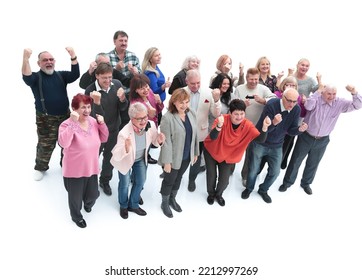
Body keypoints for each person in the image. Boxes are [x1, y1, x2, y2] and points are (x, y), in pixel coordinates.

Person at [279, 84, 362, 195]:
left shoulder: (339, 103)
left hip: (322, 140)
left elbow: (358, 105)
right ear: (323, 92)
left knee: (313, 163)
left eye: (334, 94)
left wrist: (354, 92)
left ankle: (306, 184)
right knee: (295, 161)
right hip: (306, 137)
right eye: (329, 93)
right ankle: (287, 182)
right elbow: (308, 106)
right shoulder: (316, 98)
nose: (332, 96)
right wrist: (317, 93)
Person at [22, 47, 80, 181]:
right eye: (45, 60)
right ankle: (40, 167)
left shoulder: (61, 75)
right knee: (45, 144)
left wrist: (73, 55)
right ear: (39, 63)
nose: (49, 62)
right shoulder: (36, 78)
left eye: (51, 59)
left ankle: (65, 163)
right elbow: (26, 77)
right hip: (45, 118)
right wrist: (25, 58)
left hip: (65, 116)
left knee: (68, 142)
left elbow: (75, 75)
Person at [242, 88, 308, 203]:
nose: (292, 104)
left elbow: (290, 130)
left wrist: (299, 130)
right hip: (261, 142)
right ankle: (249, 188)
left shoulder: (296, 109)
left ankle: (263, 190)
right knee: (253, 169)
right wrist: (274, 123)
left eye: (294, 101)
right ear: (283, 98)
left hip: (277, 145)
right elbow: (265, 129)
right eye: (289, 101)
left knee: (275, 172)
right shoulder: (272, 105)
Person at [203, 99, 271, 206]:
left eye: (242, 113)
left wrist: (265, 128)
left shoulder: (247, 125)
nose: (239, 117)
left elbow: (260, 139)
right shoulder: (222, 119)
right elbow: (213, 136)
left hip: (228, 155)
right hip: (212, 151)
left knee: (224, 180)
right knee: (211, 175)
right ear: (230, 113)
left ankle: (218, 194)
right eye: (236, 114)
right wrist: (219, 126)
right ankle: (211, 194)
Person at [58, 94, 109, 228]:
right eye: (83, 108)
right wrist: (73, 124)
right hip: (74, 171)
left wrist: (102, 123)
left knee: (93, 195)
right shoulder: (66, 124)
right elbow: (63, 143)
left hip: (91, 167)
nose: (87, 110)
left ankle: (88, 204)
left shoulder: (93, 121)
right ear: (74, 109)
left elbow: (104, 138)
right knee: (75, 199)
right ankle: (77, 217)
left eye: (88, 107)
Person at [110, 102, 165, 219]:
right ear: (131, 118)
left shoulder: (151, 125)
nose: (144, 121)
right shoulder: (124, 133)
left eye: (145, 117)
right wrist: (125, 148)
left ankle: (133, 204)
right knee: (124, 184)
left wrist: (159, 140)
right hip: (125, 160)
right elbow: (116, 155)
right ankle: (123, 206)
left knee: (140, 181)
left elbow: (154, 141)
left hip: (140, 159)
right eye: (140, 118)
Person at [84, 62, 128, 196]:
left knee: (110, 157)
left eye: (110, 77)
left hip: (113, 130)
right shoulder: (90, 91)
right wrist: (96, 103)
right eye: (104, 78)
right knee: (93, 158)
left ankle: (105, 180)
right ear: (97, 76)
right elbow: (95, 117)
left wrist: (122, 99)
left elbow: (123, 109)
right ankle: (88, 182)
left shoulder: (117, 85)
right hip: (96, 132)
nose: (108, 81)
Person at [158, 88, 199, 218]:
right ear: (174, 102)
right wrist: (167, 162)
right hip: (173, 157)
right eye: (181, 102)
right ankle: (164, 203)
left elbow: (195, 135)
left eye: (186, 102)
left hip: (187, 155)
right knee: (169, 180)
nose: (184, 105)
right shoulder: (167, 118)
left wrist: (195, 152)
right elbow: (166, 142)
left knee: (179, 178)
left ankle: (172, 199)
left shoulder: (191, 113)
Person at [234, 67, 276, 185]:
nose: (253, 81)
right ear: (247, 78)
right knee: (234, 149)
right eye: (251, 79)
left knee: (250, 154)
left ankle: (245, 176)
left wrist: (263, 101)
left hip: (255, 129)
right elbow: (233, 106)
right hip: (240, 127)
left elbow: (274, 99)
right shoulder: (239, 89)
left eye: (256, 79)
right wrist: (242, 105)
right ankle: (229, 170)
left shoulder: (263, 89)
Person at [183, 69, 221, 192]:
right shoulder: (180, 92)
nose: (196, 86)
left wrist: (216, 100)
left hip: (200, 133)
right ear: (186, 81)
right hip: (184, 132)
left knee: (196, 159)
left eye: (198, 83)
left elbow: (216, 113)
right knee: (181, 157)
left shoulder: (208, 93)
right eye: (192, 83)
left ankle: (191, 180)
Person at [281, 58, 322, 169]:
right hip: (285, 110)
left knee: (291, 137)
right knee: (281, 134)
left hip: (299, 113)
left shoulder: (310, 81)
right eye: (302, 65)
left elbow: (318, 92)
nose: (304, 67)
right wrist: (288, 74)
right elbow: (281, 88)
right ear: (297, 65)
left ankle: (283, 159)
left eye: (307, 66)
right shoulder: (291, 77)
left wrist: (319, 80)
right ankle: (276, 157)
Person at [108, 30, 141, 129]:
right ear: (114, 41)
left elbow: (140, 76)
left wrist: (135, 72)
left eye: (125, 41)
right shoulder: (107, 57)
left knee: (129, 123)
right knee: (115, 123)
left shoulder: (133, 56)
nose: (124, 43)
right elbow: (105, 78)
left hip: (130, 95)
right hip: (114, 95)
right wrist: (116, 69)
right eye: (121, 40)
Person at [129, 74, 164, 164]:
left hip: (154, 125)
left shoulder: (150, 92)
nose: (146, 90)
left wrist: (159, 102)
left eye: (147, 86)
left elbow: (158, 110)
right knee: (142, 148)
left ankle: (147, 154)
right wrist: (149, 114)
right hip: (143, 131)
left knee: (149, 145)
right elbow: (137, 122)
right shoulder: (135, 104)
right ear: (136, 90)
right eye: (142, 88)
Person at [141, 47, 170, 125]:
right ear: (150, 59)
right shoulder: (150, 73)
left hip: (158, 105)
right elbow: (153, 91)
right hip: (154, 106)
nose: (159, 57)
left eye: (159, 54)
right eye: (156, 55)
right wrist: (163, 86)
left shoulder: (156, 67)